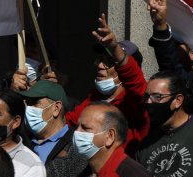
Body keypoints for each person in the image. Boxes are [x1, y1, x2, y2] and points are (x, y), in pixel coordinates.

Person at [63, 14, 149, 153]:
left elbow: (136, 82)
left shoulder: (134, 102)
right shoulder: (95, 98)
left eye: (109, 62)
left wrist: (115, 49)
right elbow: (66, 123)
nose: (101, 66)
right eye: (100, 60)